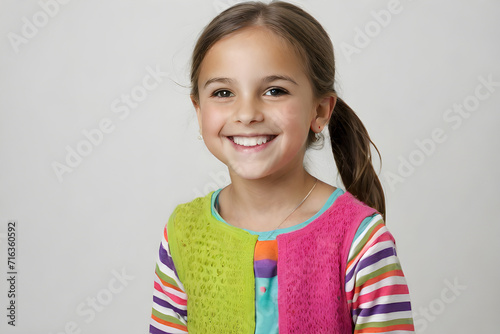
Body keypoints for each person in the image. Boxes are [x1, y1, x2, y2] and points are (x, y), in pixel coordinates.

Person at [150, 1, 414, 333]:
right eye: (223, 92)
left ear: (319, 111)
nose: (246, 114)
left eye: (275, 91)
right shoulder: (182, 234)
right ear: (199, 109)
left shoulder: (361, 239)